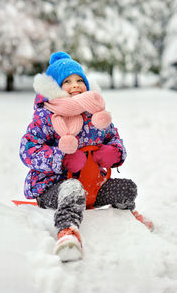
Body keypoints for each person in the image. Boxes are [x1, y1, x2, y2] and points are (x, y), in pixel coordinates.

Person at [20, 51, 137, 262]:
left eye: (79, 80)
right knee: (72, 188)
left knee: (127, 188)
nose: (75, 85)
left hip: (91, 185)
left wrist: (115, 152)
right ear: (55, 87)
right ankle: (67, 231)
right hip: (53, 187)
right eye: (67, 81)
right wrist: (61, 159)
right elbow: (27, 150)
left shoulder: (96, 114)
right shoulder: (46, 117)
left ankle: (127, 217)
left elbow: (114, 137)